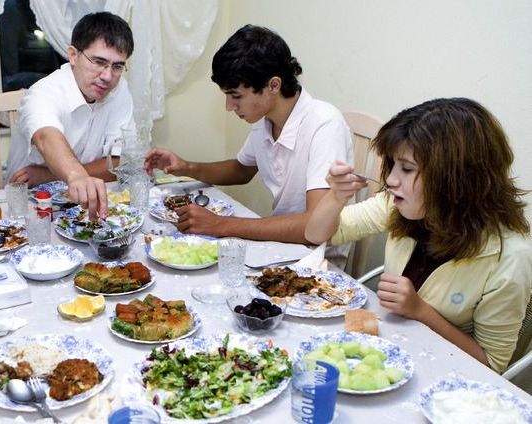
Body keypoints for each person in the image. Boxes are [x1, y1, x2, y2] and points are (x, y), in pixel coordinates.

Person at [304, 98, 532, 373]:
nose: (391, 180)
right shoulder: (399, 205)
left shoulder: (508, 256)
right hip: (390, 353)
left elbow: (491, 364)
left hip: (445, 374)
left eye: (408, 169)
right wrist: (335, 196)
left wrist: (421, 311)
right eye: (393, 165)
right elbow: (317, 234)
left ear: (455, 178)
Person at [143, 25, 352, 265]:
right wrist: (185, 166)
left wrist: (221, 225)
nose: (229, 106)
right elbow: (240, 170)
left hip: (315, 260)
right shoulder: (266, 119)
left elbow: (314, 224)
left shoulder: (324, 124)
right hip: (279, 246)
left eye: (236, 96)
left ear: (273, 85)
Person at [6, 11, 134, 218]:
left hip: (85, 202)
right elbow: (47, 137)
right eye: (99, 62)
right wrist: (75, 176)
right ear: (73, 55)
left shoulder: (120, 89)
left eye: (117, 66)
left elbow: (119, 162)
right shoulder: (44, 92)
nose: (108, 76)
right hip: (31, 206)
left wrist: (48, 175)